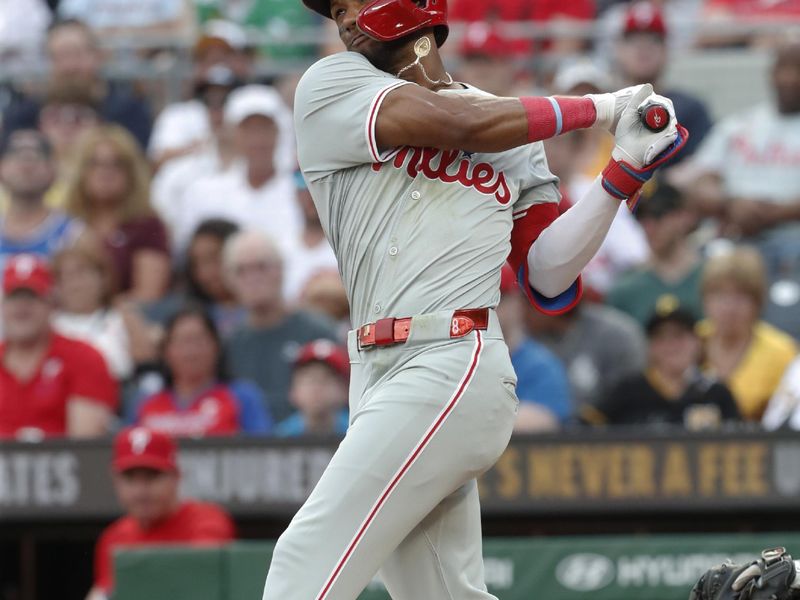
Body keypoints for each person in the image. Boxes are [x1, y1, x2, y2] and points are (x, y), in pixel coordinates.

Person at [262, 0, 686, 598]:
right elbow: (460, 125)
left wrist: (620, 176)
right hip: (375, 369)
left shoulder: (512, 124)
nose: (347, 17)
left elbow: (547, 275)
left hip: (452, 357)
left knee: (304, 561)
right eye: (336, 9)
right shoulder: (333, 82)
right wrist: (603, 108)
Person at [687, 40, 800, 338]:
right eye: (783, 68)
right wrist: (729, 203)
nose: (790, 77)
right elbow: (700, 183)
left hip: (792, 238)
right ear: (771, 73)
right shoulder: (740, 124)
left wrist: (775, 213)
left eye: (797, 69)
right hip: (732, 234)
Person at [87, 427, 236, 600]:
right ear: (115, 481)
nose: (140, 491)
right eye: (130, 478)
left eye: (151, 477)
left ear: (176, 476)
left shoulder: (207, 521)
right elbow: (103, 593)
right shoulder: (113, 536)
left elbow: (197, 582)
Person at [171, 85, 301, 258]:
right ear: (233, 134)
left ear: (278, 132)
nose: (257, 139)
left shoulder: (301, 193)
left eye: (265, 128)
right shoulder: (204, 192)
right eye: (248, 130)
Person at [223, 231, 338, 423]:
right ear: (229, 280)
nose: (252, 278)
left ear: (281, 270)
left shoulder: (318, 331)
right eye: (241, 270)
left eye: (261, 267)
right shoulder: (229, 344)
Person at [0, 254, 118, 440]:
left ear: (52, 304)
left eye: (32, 297)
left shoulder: (84, 357)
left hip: (63, 467)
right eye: (14, 297)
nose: (21, 307)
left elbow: (85, 445)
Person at [2, 18, 152, 149]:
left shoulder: (129, 112)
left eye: (77, 54)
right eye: (61, 56)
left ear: (98, 56)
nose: (70, 66)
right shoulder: (25, 115)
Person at [584, 306, 739, 429]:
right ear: (650, 346)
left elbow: (742, 441)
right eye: (661, 337)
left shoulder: (715, 392)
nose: (671, 345)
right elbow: (586, 424)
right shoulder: (628, 390)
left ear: (697, 342)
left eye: (679, 336)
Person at [64, 125, 171, 302]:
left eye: (117, 164)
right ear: (81, 172)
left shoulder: (146, 226)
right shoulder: (64, 222)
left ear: (132, 173)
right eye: (95, 163)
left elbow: (148, 295)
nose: (106, 172)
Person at [130, 305, 272, 437]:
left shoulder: (243, 396)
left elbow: (262, 450)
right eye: (181, 341)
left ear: (216, 346)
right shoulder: (147, 401)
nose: (190, 351)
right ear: (166, 351)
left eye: (198, 340)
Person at [700, 246, 798, 422]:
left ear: (757, 302)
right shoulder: (689, 343)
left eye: (740, 296)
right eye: (720, 295)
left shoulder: (782, 352)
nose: (729, 308)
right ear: (705, 299)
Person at [612, 2, 712, 163]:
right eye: (633, 39)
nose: (643, 47)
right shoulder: (601, 106)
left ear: (666, 50)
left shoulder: (691, 109)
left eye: (654, 39)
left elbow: (702, 167)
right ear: (619, 49)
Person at [52, 240, 157, 381]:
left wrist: (133, 323)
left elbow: (147, 364)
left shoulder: (120, 318)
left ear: (103, 278)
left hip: (117, 389)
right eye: (66, 276)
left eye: (81, 272)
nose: (75, 284)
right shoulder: (48, 325)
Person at [606, 182, 705, 327]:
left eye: (658, 216)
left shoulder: (711, 278)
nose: (649, 227)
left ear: (683, 216)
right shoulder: (624, 289)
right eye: (641, 218)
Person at [526, 301, 648, 411]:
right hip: (548, 430)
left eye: (529, 305)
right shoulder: (529, 337)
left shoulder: (616, 335)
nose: (523, 311)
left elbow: (630, 397)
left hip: (608, 430)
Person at [497, 266, 572, 432]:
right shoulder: (460, 358)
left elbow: (542, 419)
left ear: (517, 302)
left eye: (499, 299)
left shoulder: (539, 364)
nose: (489, 309)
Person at [0, 129, 84, 276]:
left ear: (53, 168)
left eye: (38, 155)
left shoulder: (74, 237)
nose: (26, 165)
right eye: (16, 154)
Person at [144, 219, 246, 337]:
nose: (205, 273)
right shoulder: (184, 313)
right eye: (196, 264)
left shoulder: (264, 310)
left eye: (214, 258)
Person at [283, 172, 339, 303]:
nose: (311, 196)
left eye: (318, 188)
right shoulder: (280, 246)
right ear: (296, 195)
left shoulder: (350, 246)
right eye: (305, 189)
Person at [276, 339, 350, 437]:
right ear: (293, 390)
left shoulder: (357, 433)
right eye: (309, 380)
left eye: (326, 379)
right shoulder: (280, 437)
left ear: (345, 390)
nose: (317, 388)